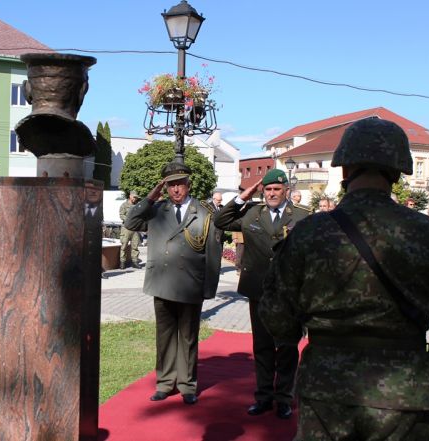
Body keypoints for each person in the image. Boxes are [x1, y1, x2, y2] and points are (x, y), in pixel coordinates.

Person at [260, 118, 429, 439]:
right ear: (398, 173)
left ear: (344, 168)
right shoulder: (426, 233)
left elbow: (277, 318)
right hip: (407, 390)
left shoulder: (309, 233)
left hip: (326, 388)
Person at [124, 161, 222, 405]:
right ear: (164, 187)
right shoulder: (157, 209)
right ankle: (165, 383)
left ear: (189, 184)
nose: (176, 189)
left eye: (180, 184)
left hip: (190, 284)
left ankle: (187, 385)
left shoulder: (205, 212)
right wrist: (150, 197)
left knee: (188, 338)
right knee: (165, 336)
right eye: (170, 185)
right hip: (163, 283)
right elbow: (130, 222)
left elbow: (213, 253)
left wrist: (209, 288)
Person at [214, 168, 309, 419]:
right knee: (262, 346)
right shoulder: (252, 213)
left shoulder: (303, 215)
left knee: (287, 347)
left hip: (289, 293)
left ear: (286, 190)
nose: (272, 193)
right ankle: (264, 397)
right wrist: (242, 197)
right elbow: (221, 221)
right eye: (268, 189)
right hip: (259, 290)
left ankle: (284, 398)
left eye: (277, 189)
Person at [118, 190, 141, 269]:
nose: (135, 199)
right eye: (134, 197)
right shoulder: (124, 205)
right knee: (124, 246)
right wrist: (129, 220)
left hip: (135, 228)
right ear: (130, 196)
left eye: (136, 198)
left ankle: (135, 262)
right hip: (126, 228)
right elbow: (121, 215)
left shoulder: (137, 205)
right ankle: (122, 262)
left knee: (135, 246)